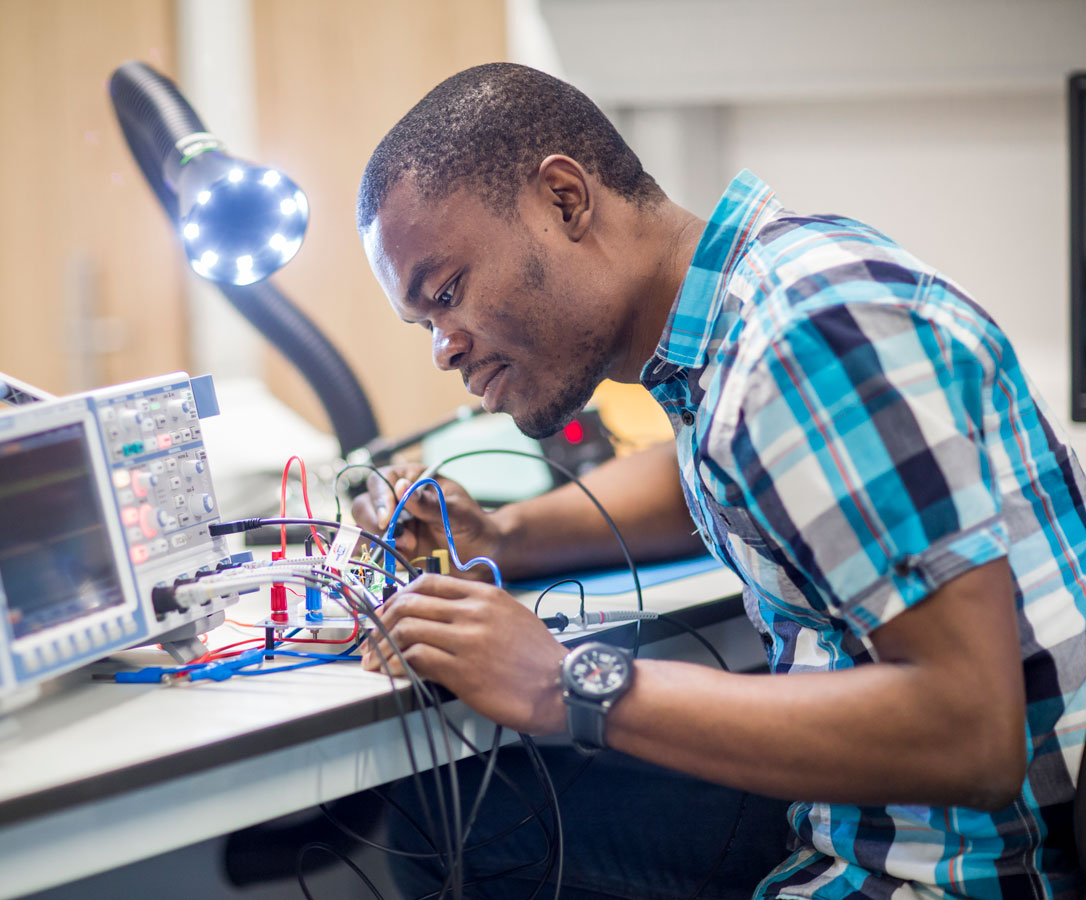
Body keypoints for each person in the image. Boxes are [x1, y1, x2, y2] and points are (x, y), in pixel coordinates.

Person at [349, 62, 1086, 899]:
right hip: (883, 813)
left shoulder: (809, 338)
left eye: (446, 293)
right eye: (423, 323)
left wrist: (566, 681)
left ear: (564, 200)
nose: (443, 346)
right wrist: (504, 538)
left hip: (957, 863)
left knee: (463, 826)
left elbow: (973, 736)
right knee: (456, 815)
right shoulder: (755, 307)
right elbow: (727, 471)